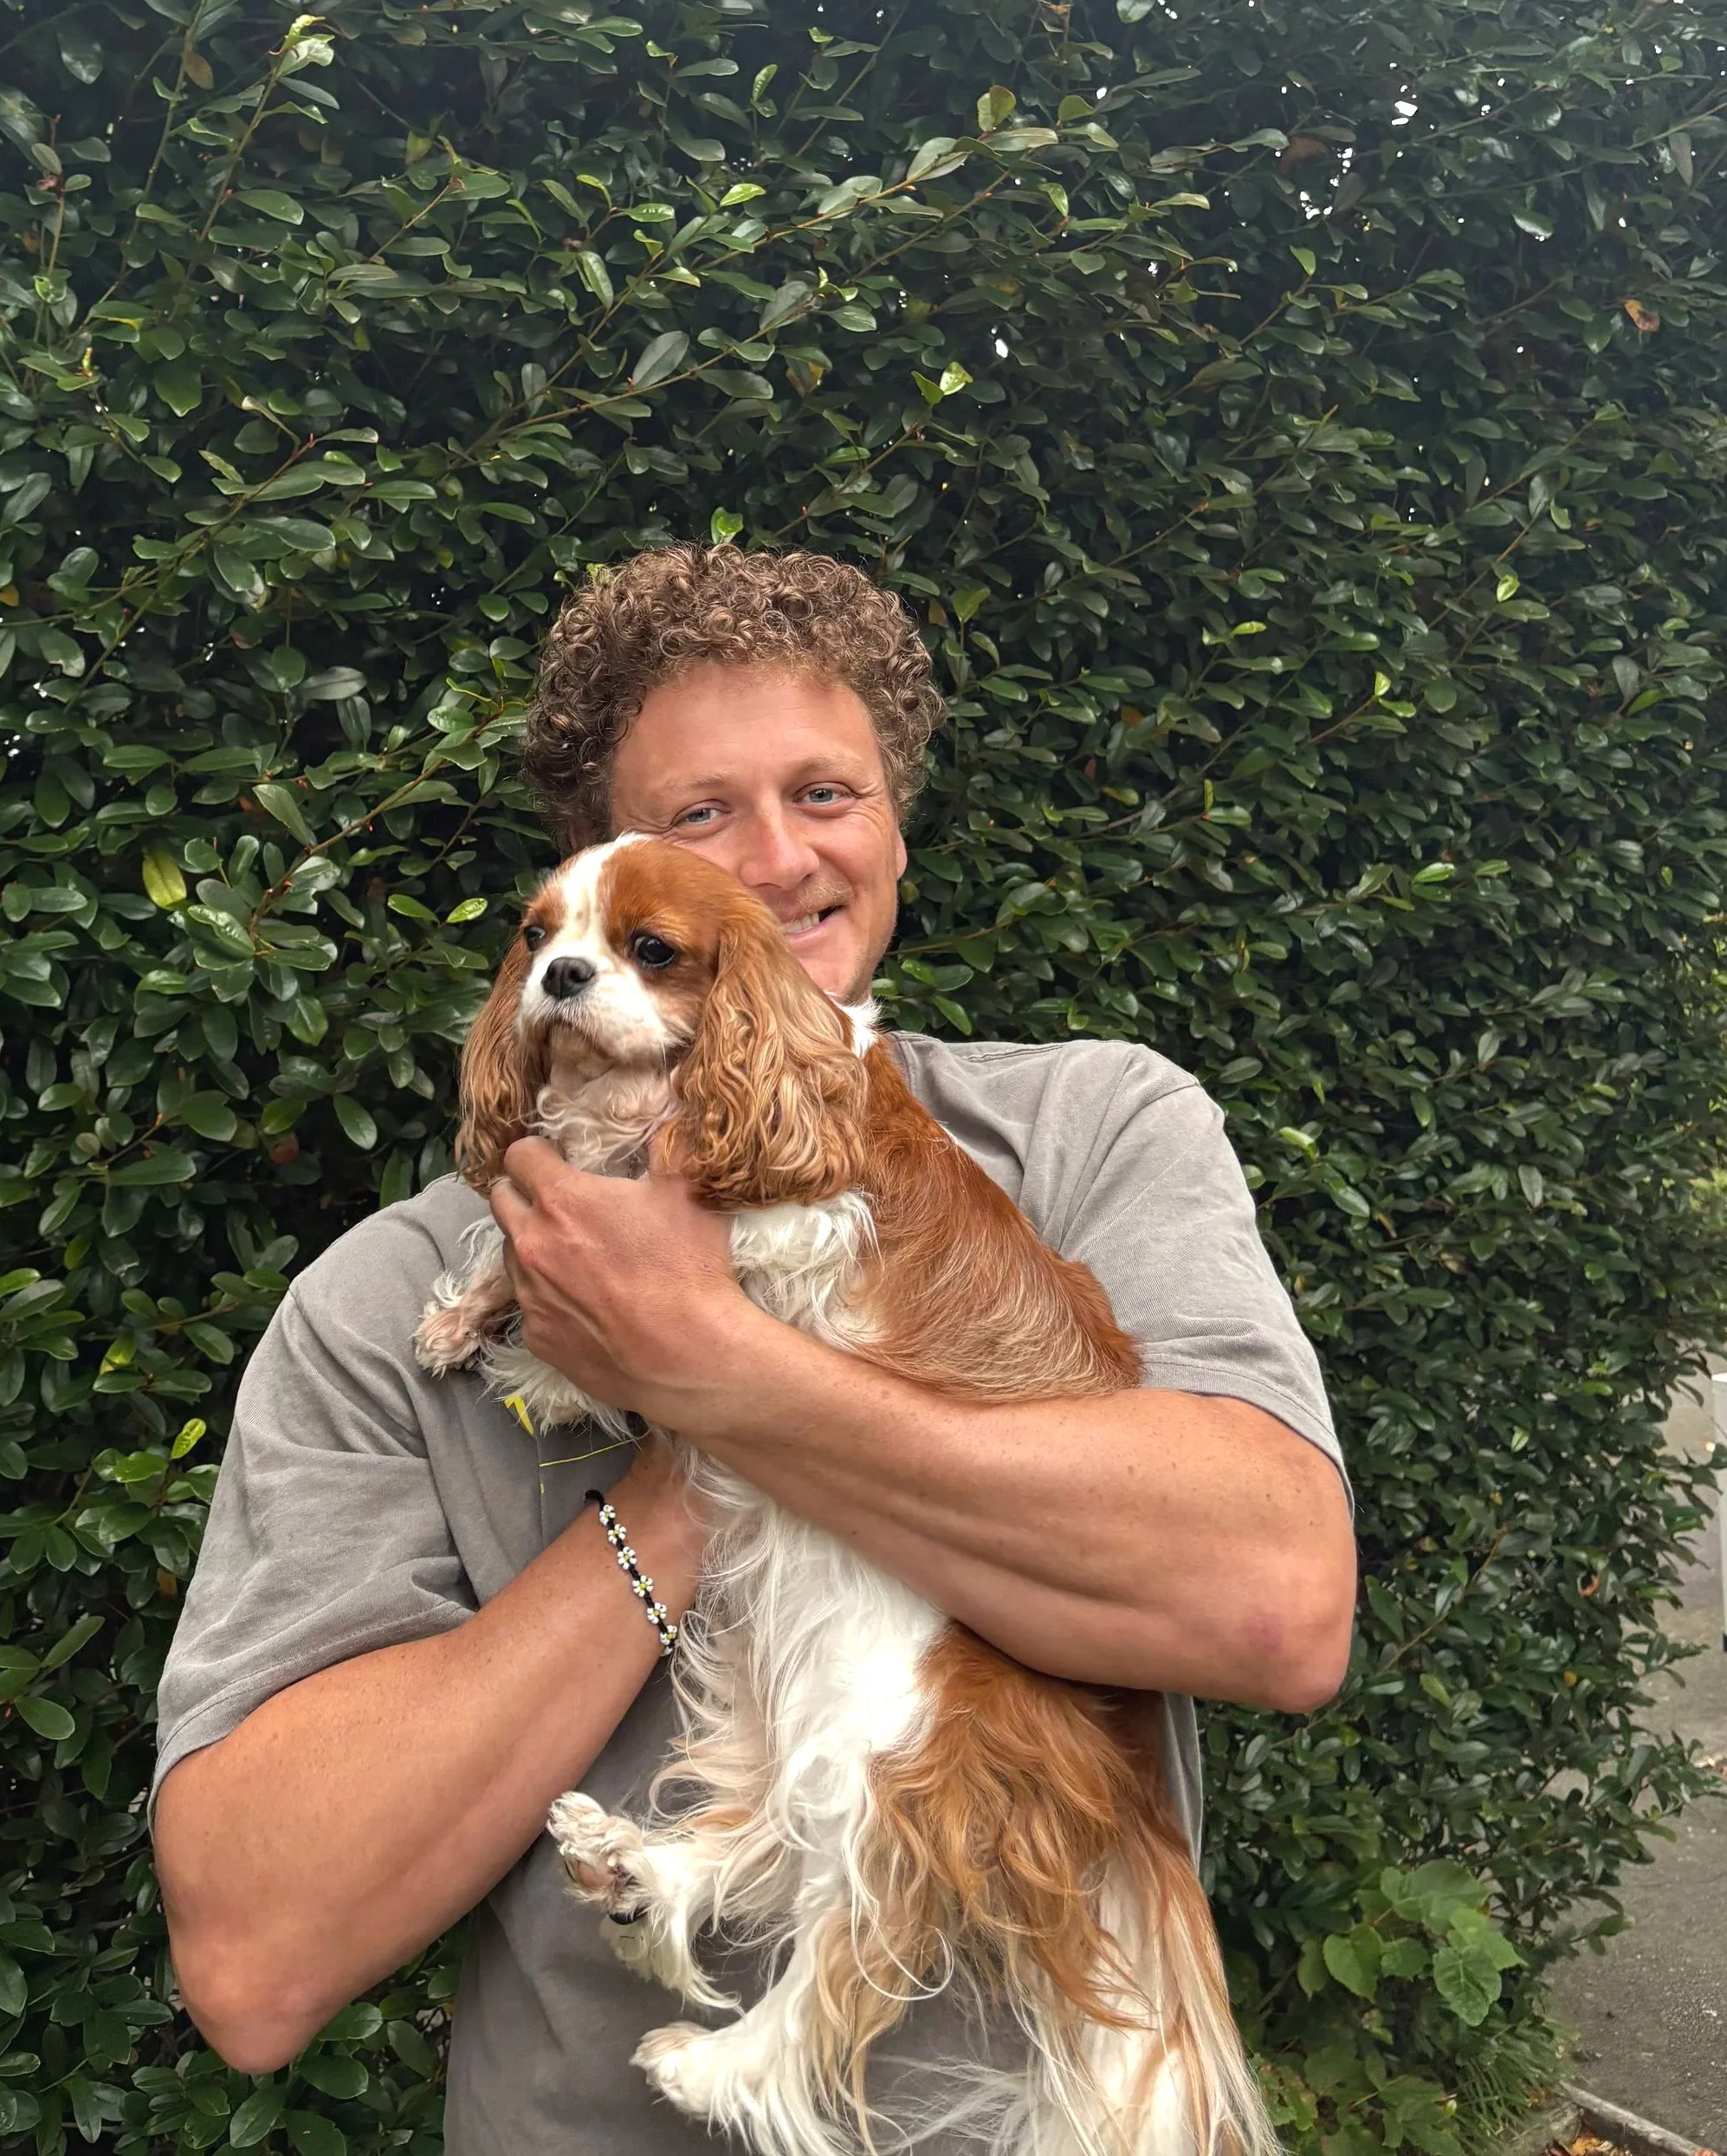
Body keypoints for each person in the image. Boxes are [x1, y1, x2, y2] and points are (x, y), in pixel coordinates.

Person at [152, 545, 1355, 2148]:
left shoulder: (1091, 1130)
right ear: (599, 874)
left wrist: (716, 1370)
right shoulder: (383, 1303)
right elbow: (255, 1955)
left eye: (827, 793)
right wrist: (674, 1491)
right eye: (703, 815)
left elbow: (1277, 1607)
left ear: (897, 828)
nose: (780, 861)